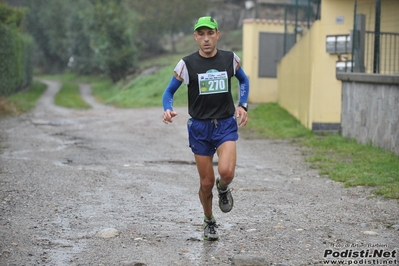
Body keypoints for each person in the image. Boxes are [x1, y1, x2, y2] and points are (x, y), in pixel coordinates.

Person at [161, 16, 249, 241]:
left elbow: (244, 80)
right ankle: (209, 219)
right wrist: (167, 109)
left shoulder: (230, 59)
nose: (206, 38)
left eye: (210, 33)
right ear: (195, 37)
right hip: (200, 128)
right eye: (201, 34)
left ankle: (223, 188)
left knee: (227, 173)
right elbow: (169, 92)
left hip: (225, 124)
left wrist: (242, 105)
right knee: (205, 182)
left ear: (217, 34)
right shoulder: (186, 64)